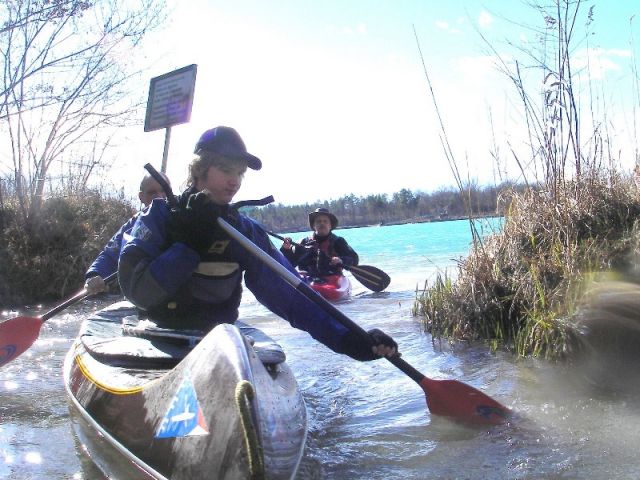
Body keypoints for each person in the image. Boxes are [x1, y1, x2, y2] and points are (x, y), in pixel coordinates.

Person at [118, 126, 398, 361]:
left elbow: (291, 297)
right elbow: (137, 293)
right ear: (199, 169)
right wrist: (187, 245)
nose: (234, 181)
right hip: (159, 335)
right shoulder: (159, 216)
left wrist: (351, 340)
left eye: (240, 173)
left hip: (218, 337)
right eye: (226, 169)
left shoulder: (243, 231)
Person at [84, 172, 170, 294]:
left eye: (164, 190)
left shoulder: (183, 217)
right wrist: (95, 274)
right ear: (141, 197)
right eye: (152, 192)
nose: (159, 197)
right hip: (147, 296)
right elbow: (110, 254)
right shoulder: (133, 225)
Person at [280, 208, 358, 280]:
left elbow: (354, 259)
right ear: (314, 226)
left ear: (330, 225)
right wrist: (285, 249)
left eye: (325, 221)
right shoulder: (303, 243)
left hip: (332, 279)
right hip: (307, 280)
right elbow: (288, 264)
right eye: (318, 221)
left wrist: (341, 260)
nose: (322, 224)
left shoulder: (339, 242)